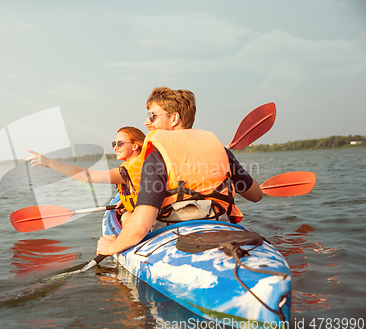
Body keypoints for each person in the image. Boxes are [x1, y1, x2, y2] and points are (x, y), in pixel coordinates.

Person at [97, 87, 263, 256]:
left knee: (128, 215)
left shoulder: (156, 157)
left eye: (152, 116)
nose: (147, 123)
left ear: (174, 118)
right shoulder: (222, 151)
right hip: (220, 224)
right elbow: (256, 195)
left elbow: (142, 225)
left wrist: (112, 247)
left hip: (170, 231)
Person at [26, 126, 145, 211]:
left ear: (135, 146)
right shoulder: (144, 163)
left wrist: (50, 163)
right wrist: (125, 201)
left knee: (126, 218)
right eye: (114, 144)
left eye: (120, 143)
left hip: (149, 217)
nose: (115, 148)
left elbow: (87, 176)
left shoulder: (130, 169)